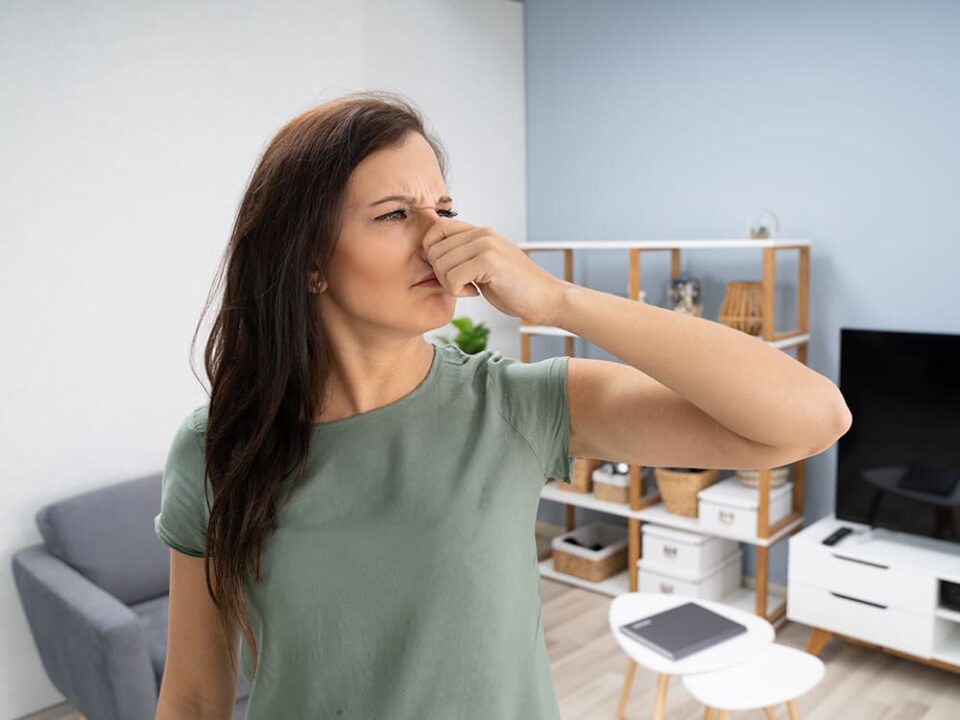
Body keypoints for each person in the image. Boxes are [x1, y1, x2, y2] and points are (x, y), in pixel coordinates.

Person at [155, 90, 853, 720]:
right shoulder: (216, 448)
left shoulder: (514, 404)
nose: (439, 238)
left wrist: (561, 300)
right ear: (308, 262)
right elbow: (191, 695)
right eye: (396, 214)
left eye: (446, 210)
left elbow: (814, 417)